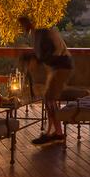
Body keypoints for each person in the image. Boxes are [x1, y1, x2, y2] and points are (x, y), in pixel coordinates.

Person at [17, 15, 72, 145]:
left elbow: (53, 51)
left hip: (61, 67)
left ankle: (55, 133)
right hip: (56, 68)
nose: (23, 28)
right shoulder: (39, 34)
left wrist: (36, 59)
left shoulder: (45, 33)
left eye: (23, 24)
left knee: (49, 98)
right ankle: (55, 132)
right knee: (49, 99)